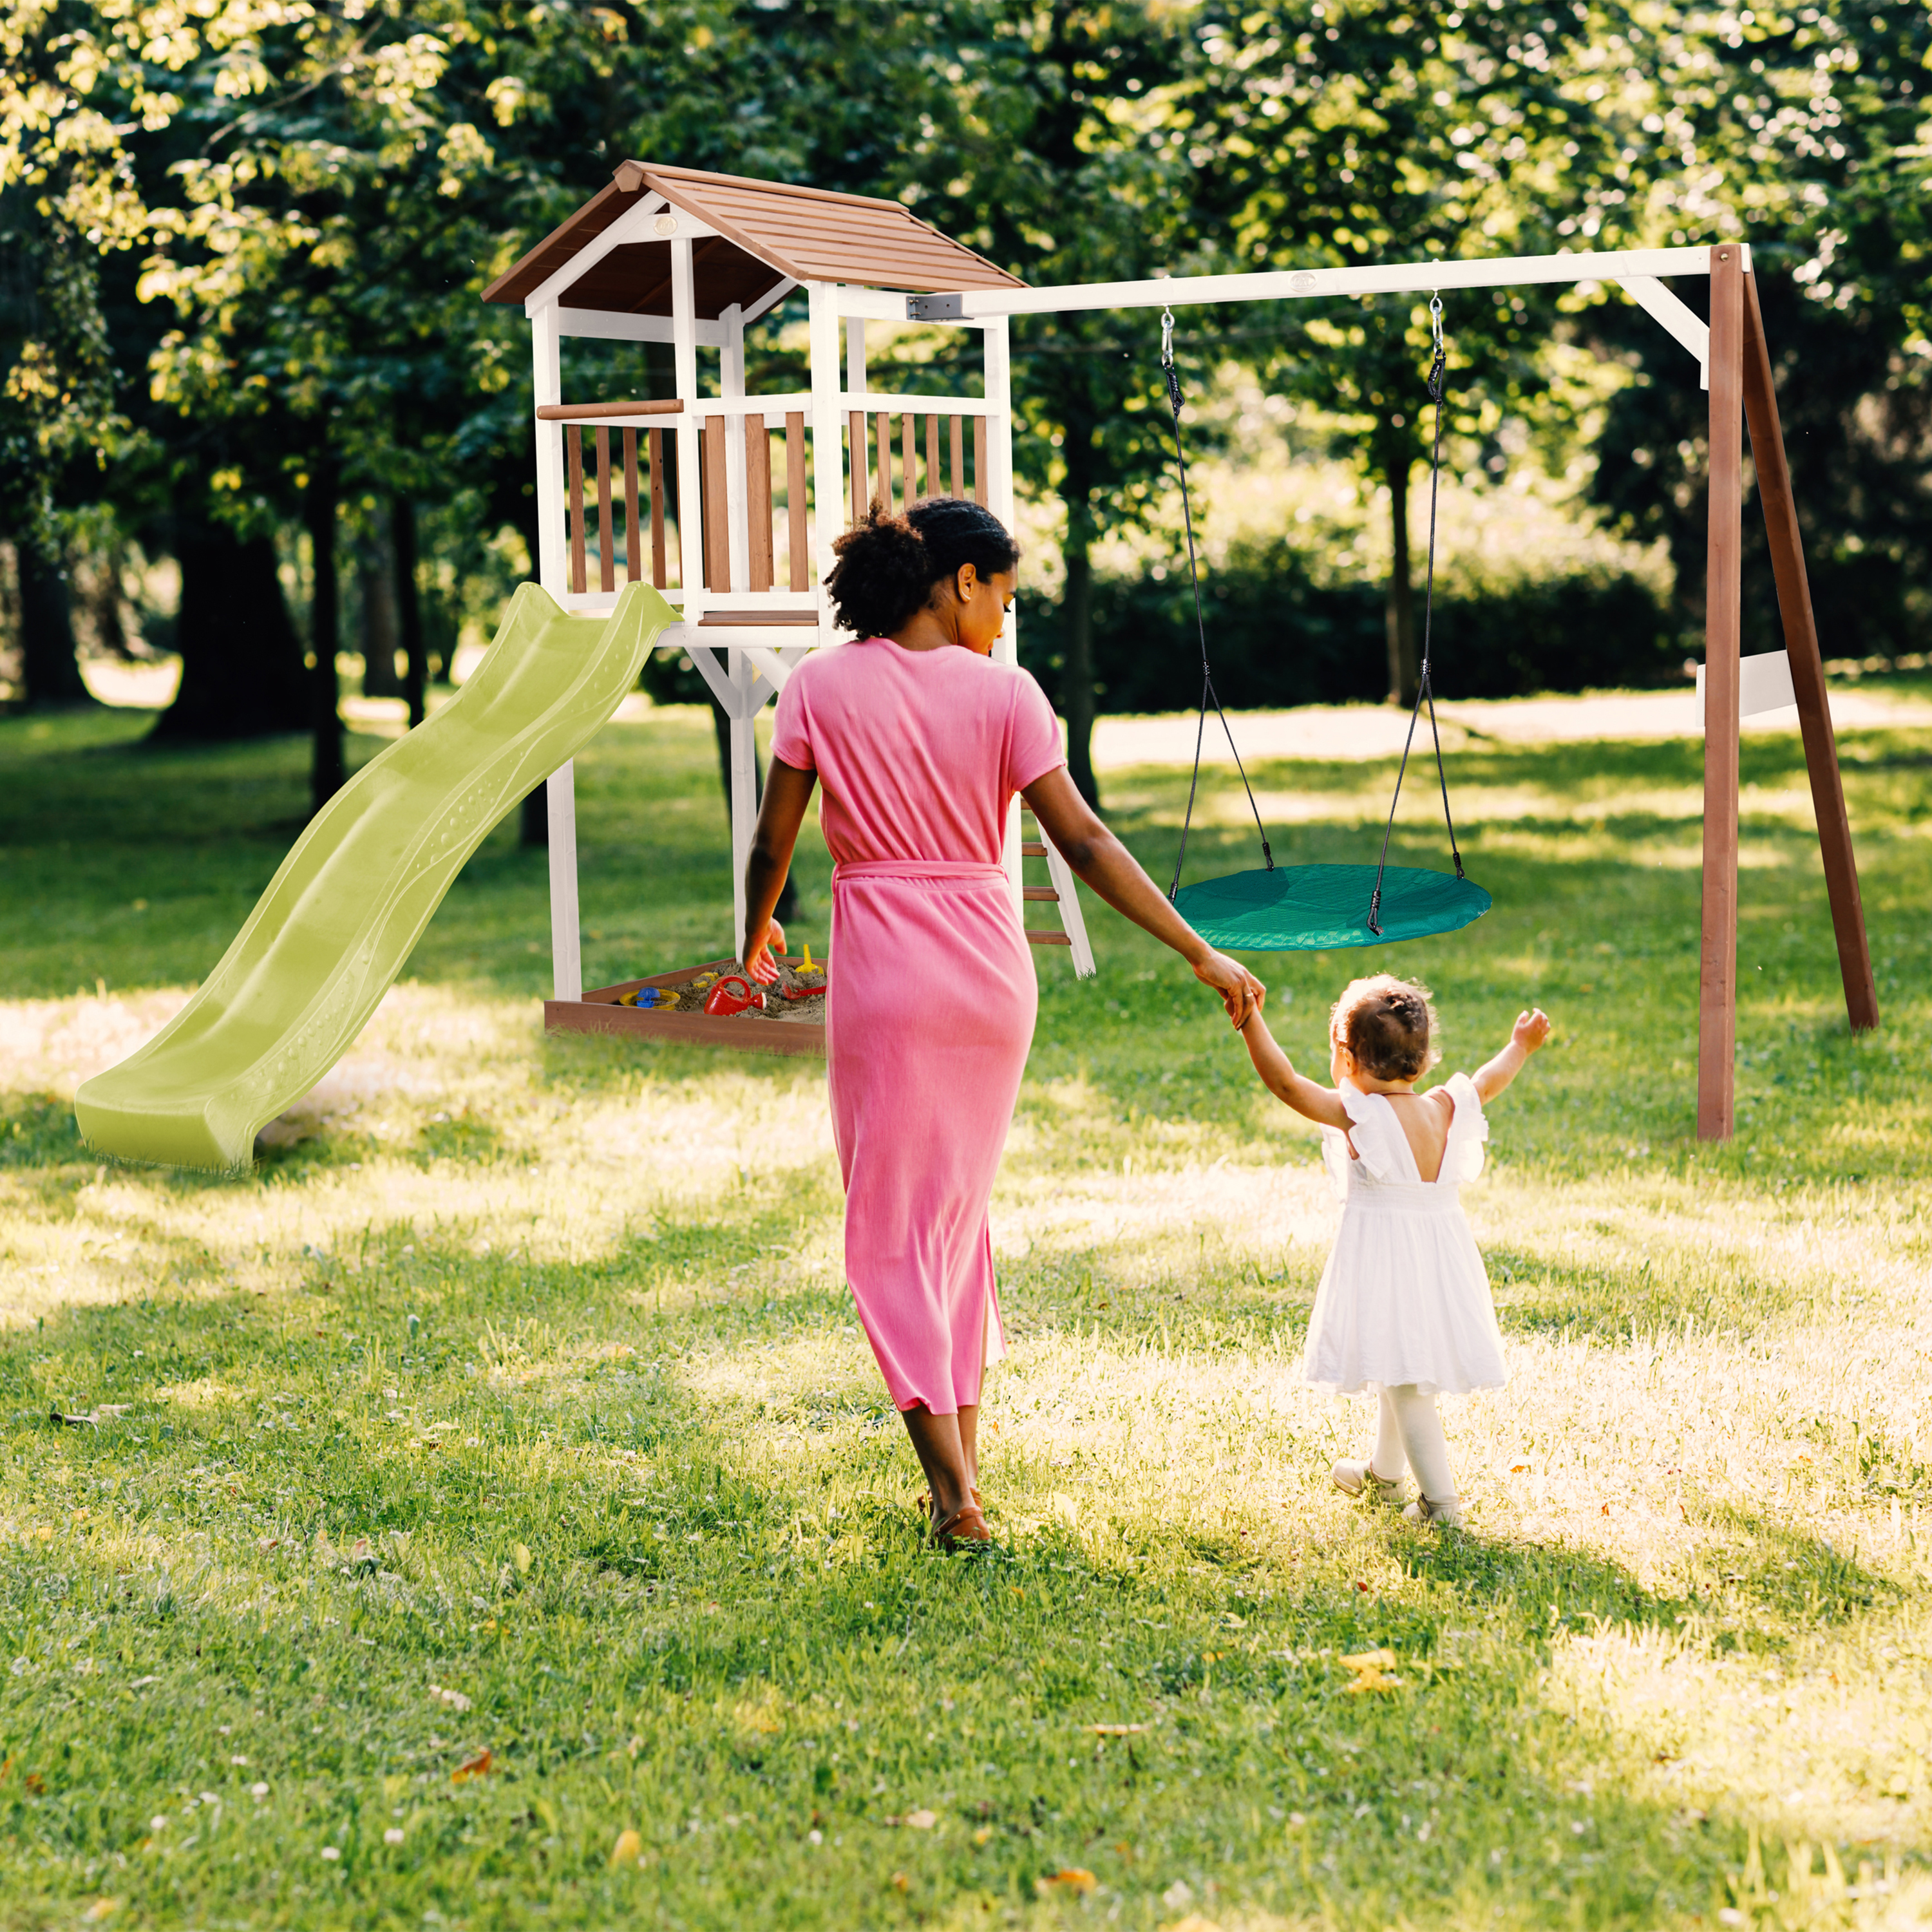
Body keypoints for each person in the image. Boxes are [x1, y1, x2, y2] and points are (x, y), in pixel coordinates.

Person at [741, 498, 1264, 1547]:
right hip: (989, 974)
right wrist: (1197, 947)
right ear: (960, 581)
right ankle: (964, 1475)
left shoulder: (817, 686)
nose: (1005, 620)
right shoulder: (1009, 697)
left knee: (890, 1232)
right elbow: (1084, 843)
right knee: (952, 1225)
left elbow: (773, 841)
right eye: (1005, 597)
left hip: (886, 974)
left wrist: (751, 937)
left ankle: (953, 1496)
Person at [1235, 974, 1551, 1527]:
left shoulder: (1361, 1116)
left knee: (1406, 1384)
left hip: (1389, 1263)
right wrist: (1519, 1046)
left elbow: (1285, 1084)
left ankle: (1441, 1505)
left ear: (1348, 1059)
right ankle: (1384, 1475)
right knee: (1395, 1362)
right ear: (1424, 1061)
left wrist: (1249, 1019)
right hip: (1439, 1260)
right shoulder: (1445, 1106)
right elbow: (1488, 1079)